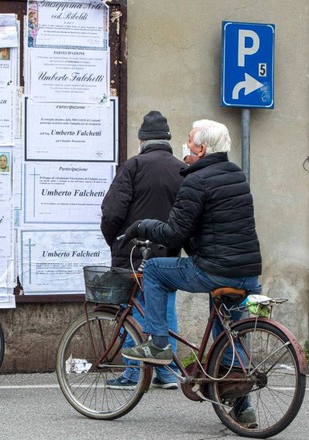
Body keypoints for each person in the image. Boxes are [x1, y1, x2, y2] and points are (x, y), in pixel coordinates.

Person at [119, 119, 262, 427]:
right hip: (246, 272)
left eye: (189, 141)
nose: (185, 146)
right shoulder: (236, 174)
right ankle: (242, 408)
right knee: (229, 334)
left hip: (214, 270)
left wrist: (143, 226)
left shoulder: (197, 180)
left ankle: (158, 343)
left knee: (155, 269)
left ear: (201, 148)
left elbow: (173, 233)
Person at [100, 110, 184, 390]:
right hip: (168, 250)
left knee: (134, 307)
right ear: (168, 139)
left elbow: (113, 211)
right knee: (166, 306)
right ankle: (167, 372)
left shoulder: (133, 166)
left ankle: (133, 373)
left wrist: (115, 240)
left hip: (135, 251)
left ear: (142, 139)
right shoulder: (181, 168)